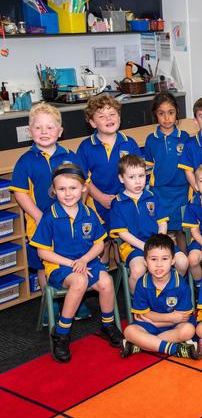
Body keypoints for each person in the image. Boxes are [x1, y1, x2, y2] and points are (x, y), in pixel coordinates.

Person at [30, 164, 123, 363]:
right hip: (60, 266)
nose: (68, 193)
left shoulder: (89, 213)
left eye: (73, 188)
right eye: (62, 189)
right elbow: (43, 252)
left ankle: (107, 325)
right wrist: (72, 263)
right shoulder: (50, 217)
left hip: (86, 262)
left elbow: (99, 244)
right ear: (54, 191)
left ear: (83, 189)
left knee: (106, 281)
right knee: (79, 282)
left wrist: (84, 260)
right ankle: (61, 333)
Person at [10, 103, 89, 322]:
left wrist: (78, 210)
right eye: (38, 128)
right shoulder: (24, 162)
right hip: (40, 225)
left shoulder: (71, 157)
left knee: (72, 259)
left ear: (60, 131)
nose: (44, 132)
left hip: (69, 223)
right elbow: (21, 194)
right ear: (29, 131)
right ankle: (51, 305)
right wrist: (39, 217)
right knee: (44, 267)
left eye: (50, 127)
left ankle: (75, 301)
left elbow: (85, 184)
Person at [109, 155, 188, 293]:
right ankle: (137, 302)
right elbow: (122, 233)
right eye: (132, 177)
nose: (138, 181)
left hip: (157, 242)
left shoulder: (152, 196)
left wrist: (159, 242)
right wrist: (146, 247)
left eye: (141, 175)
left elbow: (162, 222)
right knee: (138, 270)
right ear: (121, 178)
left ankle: (170, 290)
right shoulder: (118, 203)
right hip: (134, 247)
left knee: (182, 261)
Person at [120, 234, 200, 360]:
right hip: (153, 326)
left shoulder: (181, 284)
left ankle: (142, 345)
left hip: (172, 326)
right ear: (145, 262)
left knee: (188, 330)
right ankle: (175, 349)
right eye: (153, 259)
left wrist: (156, 322)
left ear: (173, 260)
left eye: (164, 259)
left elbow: (182, 318)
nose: (159, 264)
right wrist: (170, 317)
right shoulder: (142, 284)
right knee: (129, 331)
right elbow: (143, 315)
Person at [77, 94, 142, 233]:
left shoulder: (129, 143)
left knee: (125, 237)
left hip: (126, 200)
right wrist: (100, 198)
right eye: (101, 116)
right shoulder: (85, 147)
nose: (109, 119)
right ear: (93, 123)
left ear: (119, 117)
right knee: (102, 241)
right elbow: (82, 179)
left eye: (112, 114)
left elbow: (139, 174)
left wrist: (126, 196)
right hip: (96, 201)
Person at [144, 92, 191, 255]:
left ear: (177, 112)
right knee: (162, 231)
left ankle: (184, 271)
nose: (166, 118)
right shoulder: (151, 139)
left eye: (170, 112)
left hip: (181, 191)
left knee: (181, 231)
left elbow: (189, 167)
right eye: (161, 113)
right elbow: (148, 168)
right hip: (159, 192)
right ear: (155, 115)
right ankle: (165, 265)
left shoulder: (184, 137)